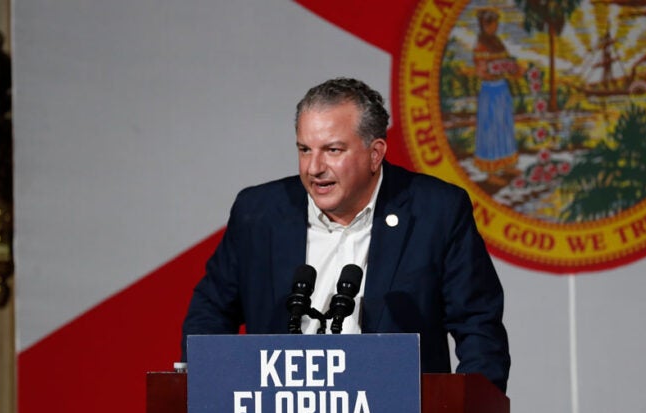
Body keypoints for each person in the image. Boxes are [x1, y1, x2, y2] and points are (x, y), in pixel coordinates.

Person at [182, 77, 510, 391]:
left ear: (375, 153)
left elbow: (478, 326)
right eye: (305, 149)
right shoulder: (259, 213)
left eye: (333, 150)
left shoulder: (435, 211)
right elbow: (210, 311)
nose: (314, 167)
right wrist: (210, 394)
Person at [473, 8, 520, 184]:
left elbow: (507, 61)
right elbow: (481, 70)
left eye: (495, 25)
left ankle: (507, 165)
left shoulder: (498, 42)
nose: (494, 28)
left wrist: (512, 68)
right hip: (490, 91)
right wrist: (493, 70)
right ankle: (491, 172)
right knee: (491, 129)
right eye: (491, 25)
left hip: (502, 89)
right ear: (484, 25)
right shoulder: (480, 45)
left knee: (504, 126)